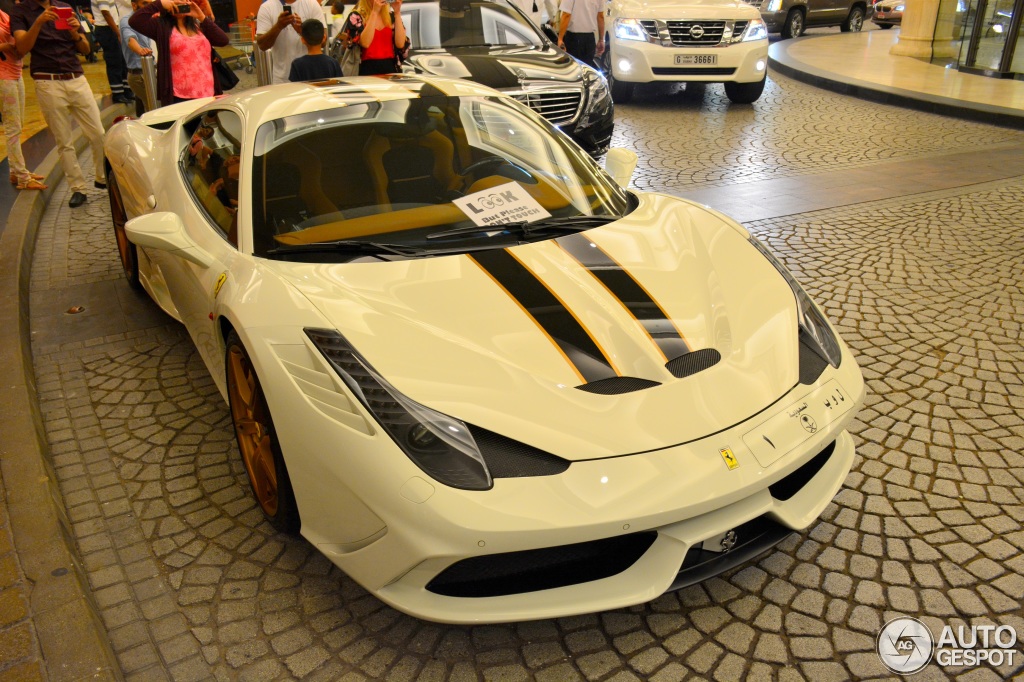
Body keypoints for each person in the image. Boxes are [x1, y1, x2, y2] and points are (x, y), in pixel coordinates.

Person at [11, 0, 108, 207]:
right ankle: (78, 188)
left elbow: (85, 47)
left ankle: (102, 178)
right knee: (64, 140)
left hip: (76, 78)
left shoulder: (64, 7)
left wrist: (74, 32)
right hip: (47, 81)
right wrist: (38, 22)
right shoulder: (21, 11)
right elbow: (21, 48)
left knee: (98, 133)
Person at [129, 0, 228, 107]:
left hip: (208, 92)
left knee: (206, 124)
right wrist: (159, 4)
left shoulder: (198, 25)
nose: (180, 3)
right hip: (179, 95)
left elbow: (223, 40)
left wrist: (201, 16)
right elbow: (135, 21)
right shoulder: (160, 25)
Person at [1, 0, 47, 191]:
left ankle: (16, 170)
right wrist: (2, 47)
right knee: (13, 127)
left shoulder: (5, 12)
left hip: (15, 71)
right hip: (3, 76)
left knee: (17, 125)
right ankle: (22, 176)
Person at [255, 0, 323, 84]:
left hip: (312, 77)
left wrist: (302, 31)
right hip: (282, 80)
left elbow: (323, 41)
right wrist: (278, 26)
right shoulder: (266, 7)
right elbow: (262, 45)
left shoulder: (312, 4)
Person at [344, 0, 405, 76]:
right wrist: (374, 12)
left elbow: (400, 44)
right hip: (366, 68)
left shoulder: (390, 16)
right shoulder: (356, 16)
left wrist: (397, 12)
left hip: (389, 67)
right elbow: (365, 43)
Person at [91, 0, 132, 103]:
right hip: (106, 29)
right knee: (114, 61)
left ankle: (126, 90)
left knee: (122, 60)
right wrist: (117, 33)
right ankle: (118, 93)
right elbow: (106, 13)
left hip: (113, 27)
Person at [119, 0, 152, 115]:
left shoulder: (147, 20)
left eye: (150, 3)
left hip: (149, 71)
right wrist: (141, 51)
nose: (149, 7)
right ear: (134, 5)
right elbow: (130, 39)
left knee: (148, 108)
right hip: (139, 75)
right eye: (145, 3)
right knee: (153, 109)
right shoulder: (127, 21)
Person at [557, 0, 602, 69]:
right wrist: (601, 39)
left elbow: (566, 15)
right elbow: (600, 16)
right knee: (587, 71)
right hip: (590, 39)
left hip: (574, 39)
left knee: (572, 70)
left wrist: (560, 38)